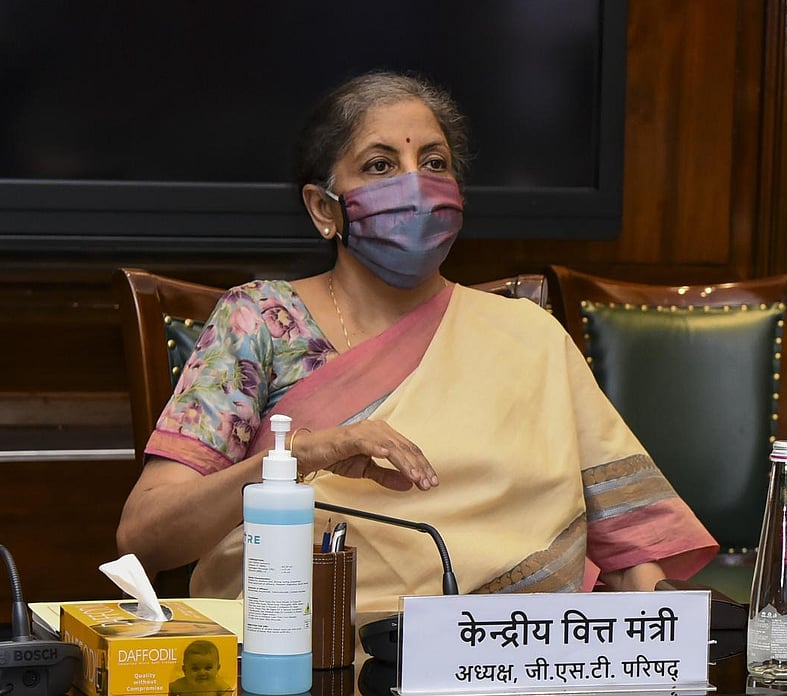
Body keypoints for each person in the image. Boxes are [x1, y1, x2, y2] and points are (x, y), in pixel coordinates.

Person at [116, 70, 717, 613]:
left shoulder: (527, 335)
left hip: (514, 660)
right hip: (311, 656)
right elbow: (147, 536)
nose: (417, 185)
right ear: (324, 209)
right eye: (379, 165)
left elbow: (630, 550)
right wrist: (297, 457)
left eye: (435, 163)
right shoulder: (259, 322)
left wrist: (661, 643)